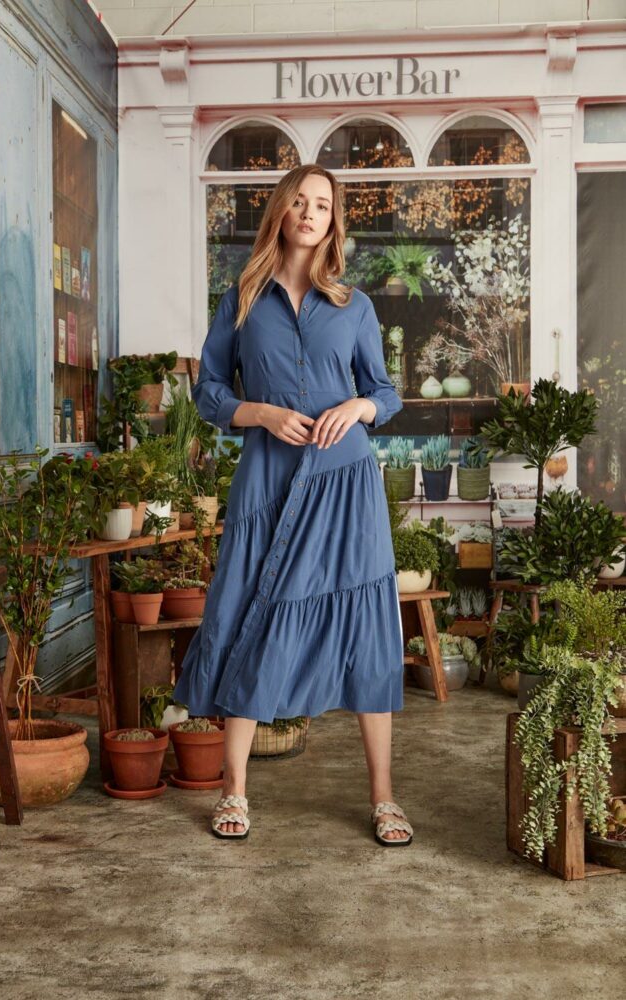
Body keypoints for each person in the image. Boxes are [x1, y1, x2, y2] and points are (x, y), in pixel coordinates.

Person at [173, 163, 413, 847]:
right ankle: (234, 789)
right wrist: (260, 413)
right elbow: (208, 390)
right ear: (281, 210)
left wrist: (359, 407)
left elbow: (386, 393)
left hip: (344, 482)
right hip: (269, 477)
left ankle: (383, 796)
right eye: (300, 201)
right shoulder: (241, 300)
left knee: (364, 627)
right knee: (248, 605)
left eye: (323, 205)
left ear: (333, 222)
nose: (310, 213)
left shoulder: (354, 306)